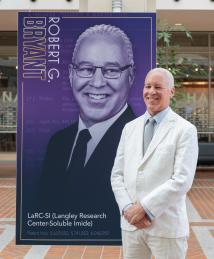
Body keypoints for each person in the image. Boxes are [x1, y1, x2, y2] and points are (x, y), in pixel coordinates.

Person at [38, 24, 136, 237]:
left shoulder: (140, 139)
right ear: (72, 74)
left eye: (111, 70)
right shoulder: (58, 142)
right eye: (86, 69)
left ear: (130, 76)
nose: (98, 82)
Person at [111, 68, 198, 258]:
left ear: (171, 92)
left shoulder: (185, 130)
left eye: (158, 87)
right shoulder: (129, 128)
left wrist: (143, 209)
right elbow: (117, 175)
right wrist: (128, 210)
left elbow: (181, 180)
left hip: (166, 227)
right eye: (147, 86)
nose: (151, 92)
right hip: (132, 226)